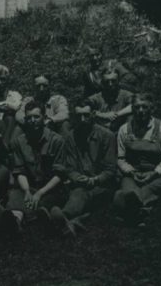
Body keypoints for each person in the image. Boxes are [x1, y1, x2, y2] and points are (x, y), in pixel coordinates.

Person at [41, 99, 116, 234]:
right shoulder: (71, 137)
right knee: (79, 193)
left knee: (82, 195)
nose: (82, 119)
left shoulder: (107, 136)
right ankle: (69, 221)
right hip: (80, 183)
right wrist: (77, 178)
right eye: (78, 116)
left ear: (93, 114)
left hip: (102, 184)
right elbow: (69, 167)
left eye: (86, 115)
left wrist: (95, 180)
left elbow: (111, 169)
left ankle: (64, 216)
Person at [113, 93, 161, 225]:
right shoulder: (124, 129)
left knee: (150, 189)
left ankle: (128, 207)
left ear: (151, 108)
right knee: (129, 189)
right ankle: (141, 208)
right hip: (132, 174)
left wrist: (155, 172)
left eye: (144, 107)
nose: (141, 111)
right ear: (132, 109)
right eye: (137, 107)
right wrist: (131, 172)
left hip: (156, 174)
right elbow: (120, 158)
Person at [7, 101, 67, 221]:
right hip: (30, 185)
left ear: (44, 118)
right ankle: (17, 221)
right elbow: (20, 171)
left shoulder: (57, 141)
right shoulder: (19, 142)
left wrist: (40, 193)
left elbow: (59, 174)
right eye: (29, 117)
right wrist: (27, 191)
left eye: (36, 116)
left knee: (43, 202)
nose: (33, 120)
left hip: (50, 188)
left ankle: (35, 216)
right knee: (14, 198)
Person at [0, 64, 23, 144]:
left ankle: (5, 145)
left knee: (9, 117)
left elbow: (16, 108)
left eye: (3, 79)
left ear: (7, 80)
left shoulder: (15, 95)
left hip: (9, 130)